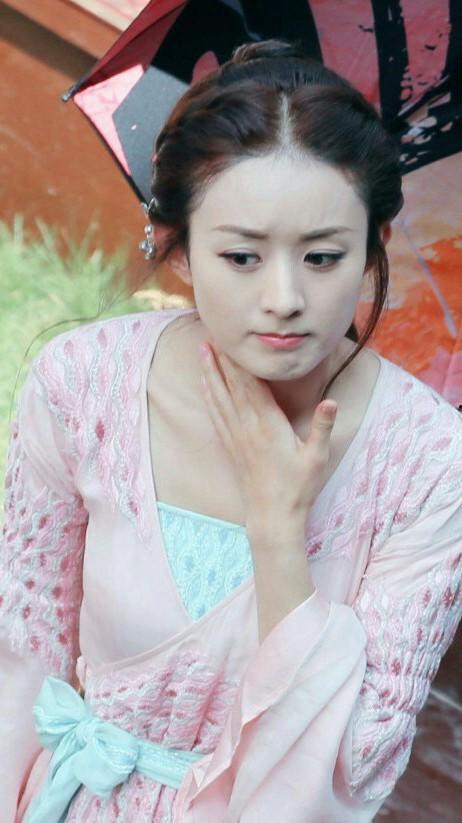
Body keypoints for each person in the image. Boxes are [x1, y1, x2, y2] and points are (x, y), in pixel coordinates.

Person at [1, 38, 461, 823]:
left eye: (323, 257)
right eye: (242, 256)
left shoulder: (429, 460)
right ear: (180, 249)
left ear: (373, 249)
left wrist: (279, 530)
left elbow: (356, 762)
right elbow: (21, 651)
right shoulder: (84, 384)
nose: (284, 297)